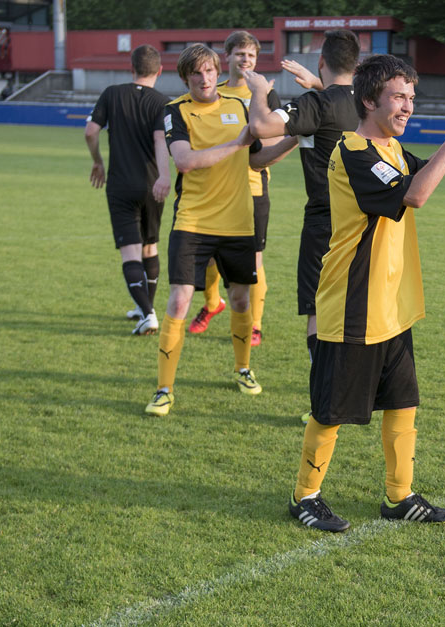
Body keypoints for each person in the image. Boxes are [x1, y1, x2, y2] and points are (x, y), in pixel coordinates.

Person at [283, 54, 445, 532]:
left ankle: (399, 496)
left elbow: (426, 175)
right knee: (331, 409)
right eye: (398, 97)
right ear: (369, 100)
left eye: (411, 97)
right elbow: (416, 195)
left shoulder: (394, 151)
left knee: (403, 402)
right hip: (353, 304)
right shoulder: (354, 150)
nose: (408, 106)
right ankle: (305, 496)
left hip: (391, 305)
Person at [145, 44, 287, 416]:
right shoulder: (175, 111)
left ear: (216, 70)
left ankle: (243, 368)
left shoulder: (237, 106)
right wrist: (237, 142)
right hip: (193, 221)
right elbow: (186, 161)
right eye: (197, 74)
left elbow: (256, 159)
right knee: (179, 301)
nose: (205, 79)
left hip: (239, 222)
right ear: (186, 77)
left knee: (240, 300)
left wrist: (293, 140)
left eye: (210, 71)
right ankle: (163, 389)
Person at [243, 29, 360, 422]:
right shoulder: (367, 101)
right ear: (357, 65)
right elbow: (261, 160)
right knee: (356, 308)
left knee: (318, 309)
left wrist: (259, 88)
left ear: (322, 62)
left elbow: (260, 127)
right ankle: (353, 391)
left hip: (326, 220)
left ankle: (325, 400)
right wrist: (317, 86)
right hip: (368, 219)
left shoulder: (315, 103)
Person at [188, 31, 297, 347]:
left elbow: (273, 147)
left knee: (254, 260)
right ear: (228, 57)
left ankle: (255, 325)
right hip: (216, 189)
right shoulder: (214, 92)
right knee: (209, 258)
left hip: (252, 189)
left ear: (256, 59)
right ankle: (212, 304)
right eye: (239, 54)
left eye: (250, 55)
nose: (245, 60)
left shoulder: (265, 95)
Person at [85, 44, 170, 335]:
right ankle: (147, 308)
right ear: (160, 71)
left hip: (121, 185)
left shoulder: (112, 93)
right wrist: (164, 176)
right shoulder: (163, 102)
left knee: (130, 251)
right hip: (152, 184)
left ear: (130, 68)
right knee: (150, 246)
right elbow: (161, 141)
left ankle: (147, 312)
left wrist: (98, 162)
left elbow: (90, 132)